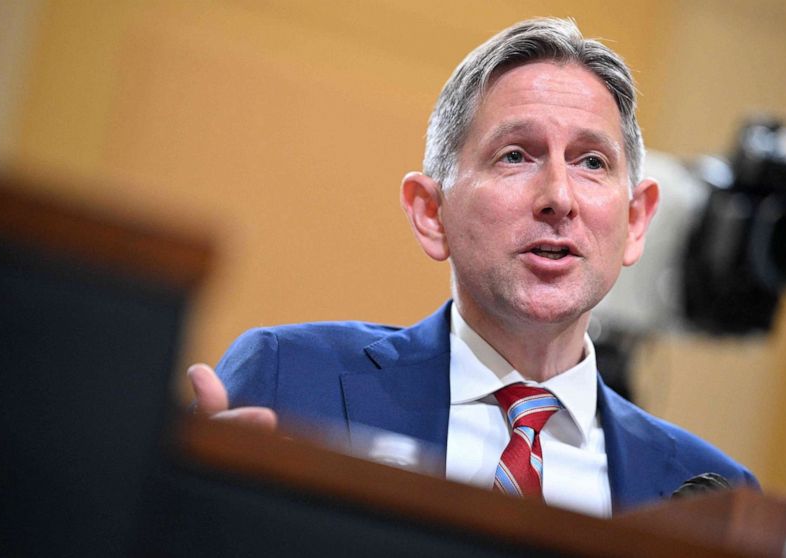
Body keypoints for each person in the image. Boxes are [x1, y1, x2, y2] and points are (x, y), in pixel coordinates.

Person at [189, 17, 757, 517]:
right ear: (432, 213)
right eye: (516, 155)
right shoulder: (288, 383)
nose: (559, 196)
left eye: (591, 161)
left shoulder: (715, 497)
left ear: (635, 221)